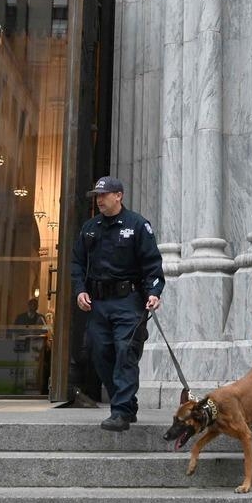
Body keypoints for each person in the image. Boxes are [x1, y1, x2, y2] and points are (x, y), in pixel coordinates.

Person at [70, 176, 164, 432]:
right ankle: (126, 403)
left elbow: (152, 264)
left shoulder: (137, 225)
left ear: (119, 196)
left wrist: (154, 292)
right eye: (97, 196)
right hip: (98, 303)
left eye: (104, 195)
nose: (99, 200)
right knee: (99, 353)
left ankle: (120, 411)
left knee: (125, 351)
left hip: (128, 301)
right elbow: (77, 263)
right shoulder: (90, 228)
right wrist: (80, 290)